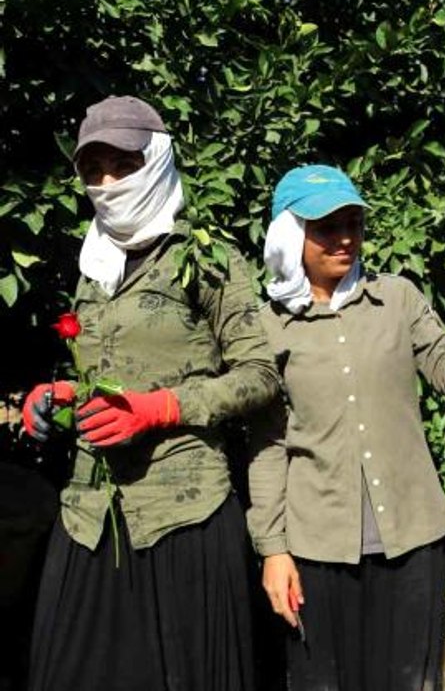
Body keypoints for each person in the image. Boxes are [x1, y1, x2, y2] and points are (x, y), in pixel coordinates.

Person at [19, 95, 281, 691]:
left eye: (122, 165)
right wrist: (60, 393)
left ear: (157, 162)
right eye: (94, 170)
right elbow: (105, 373)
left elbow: (260, 375)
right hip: (89, 512)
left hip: (182, 513)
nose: (107, 183)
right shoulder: (94, 263)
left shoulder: (205, 258)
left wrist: (160, 408)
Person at [246, 165, 445, 691]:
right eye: (326, 227)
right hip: (316, 545)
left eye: (353, 223)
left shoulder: (397, 298)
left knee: (409, 681)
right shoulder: (268, 327)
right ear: (290, 233)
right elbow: (269, 446)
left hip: (412, 537)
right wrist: (273, 550)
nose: (345, 238)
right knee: (322, 681)